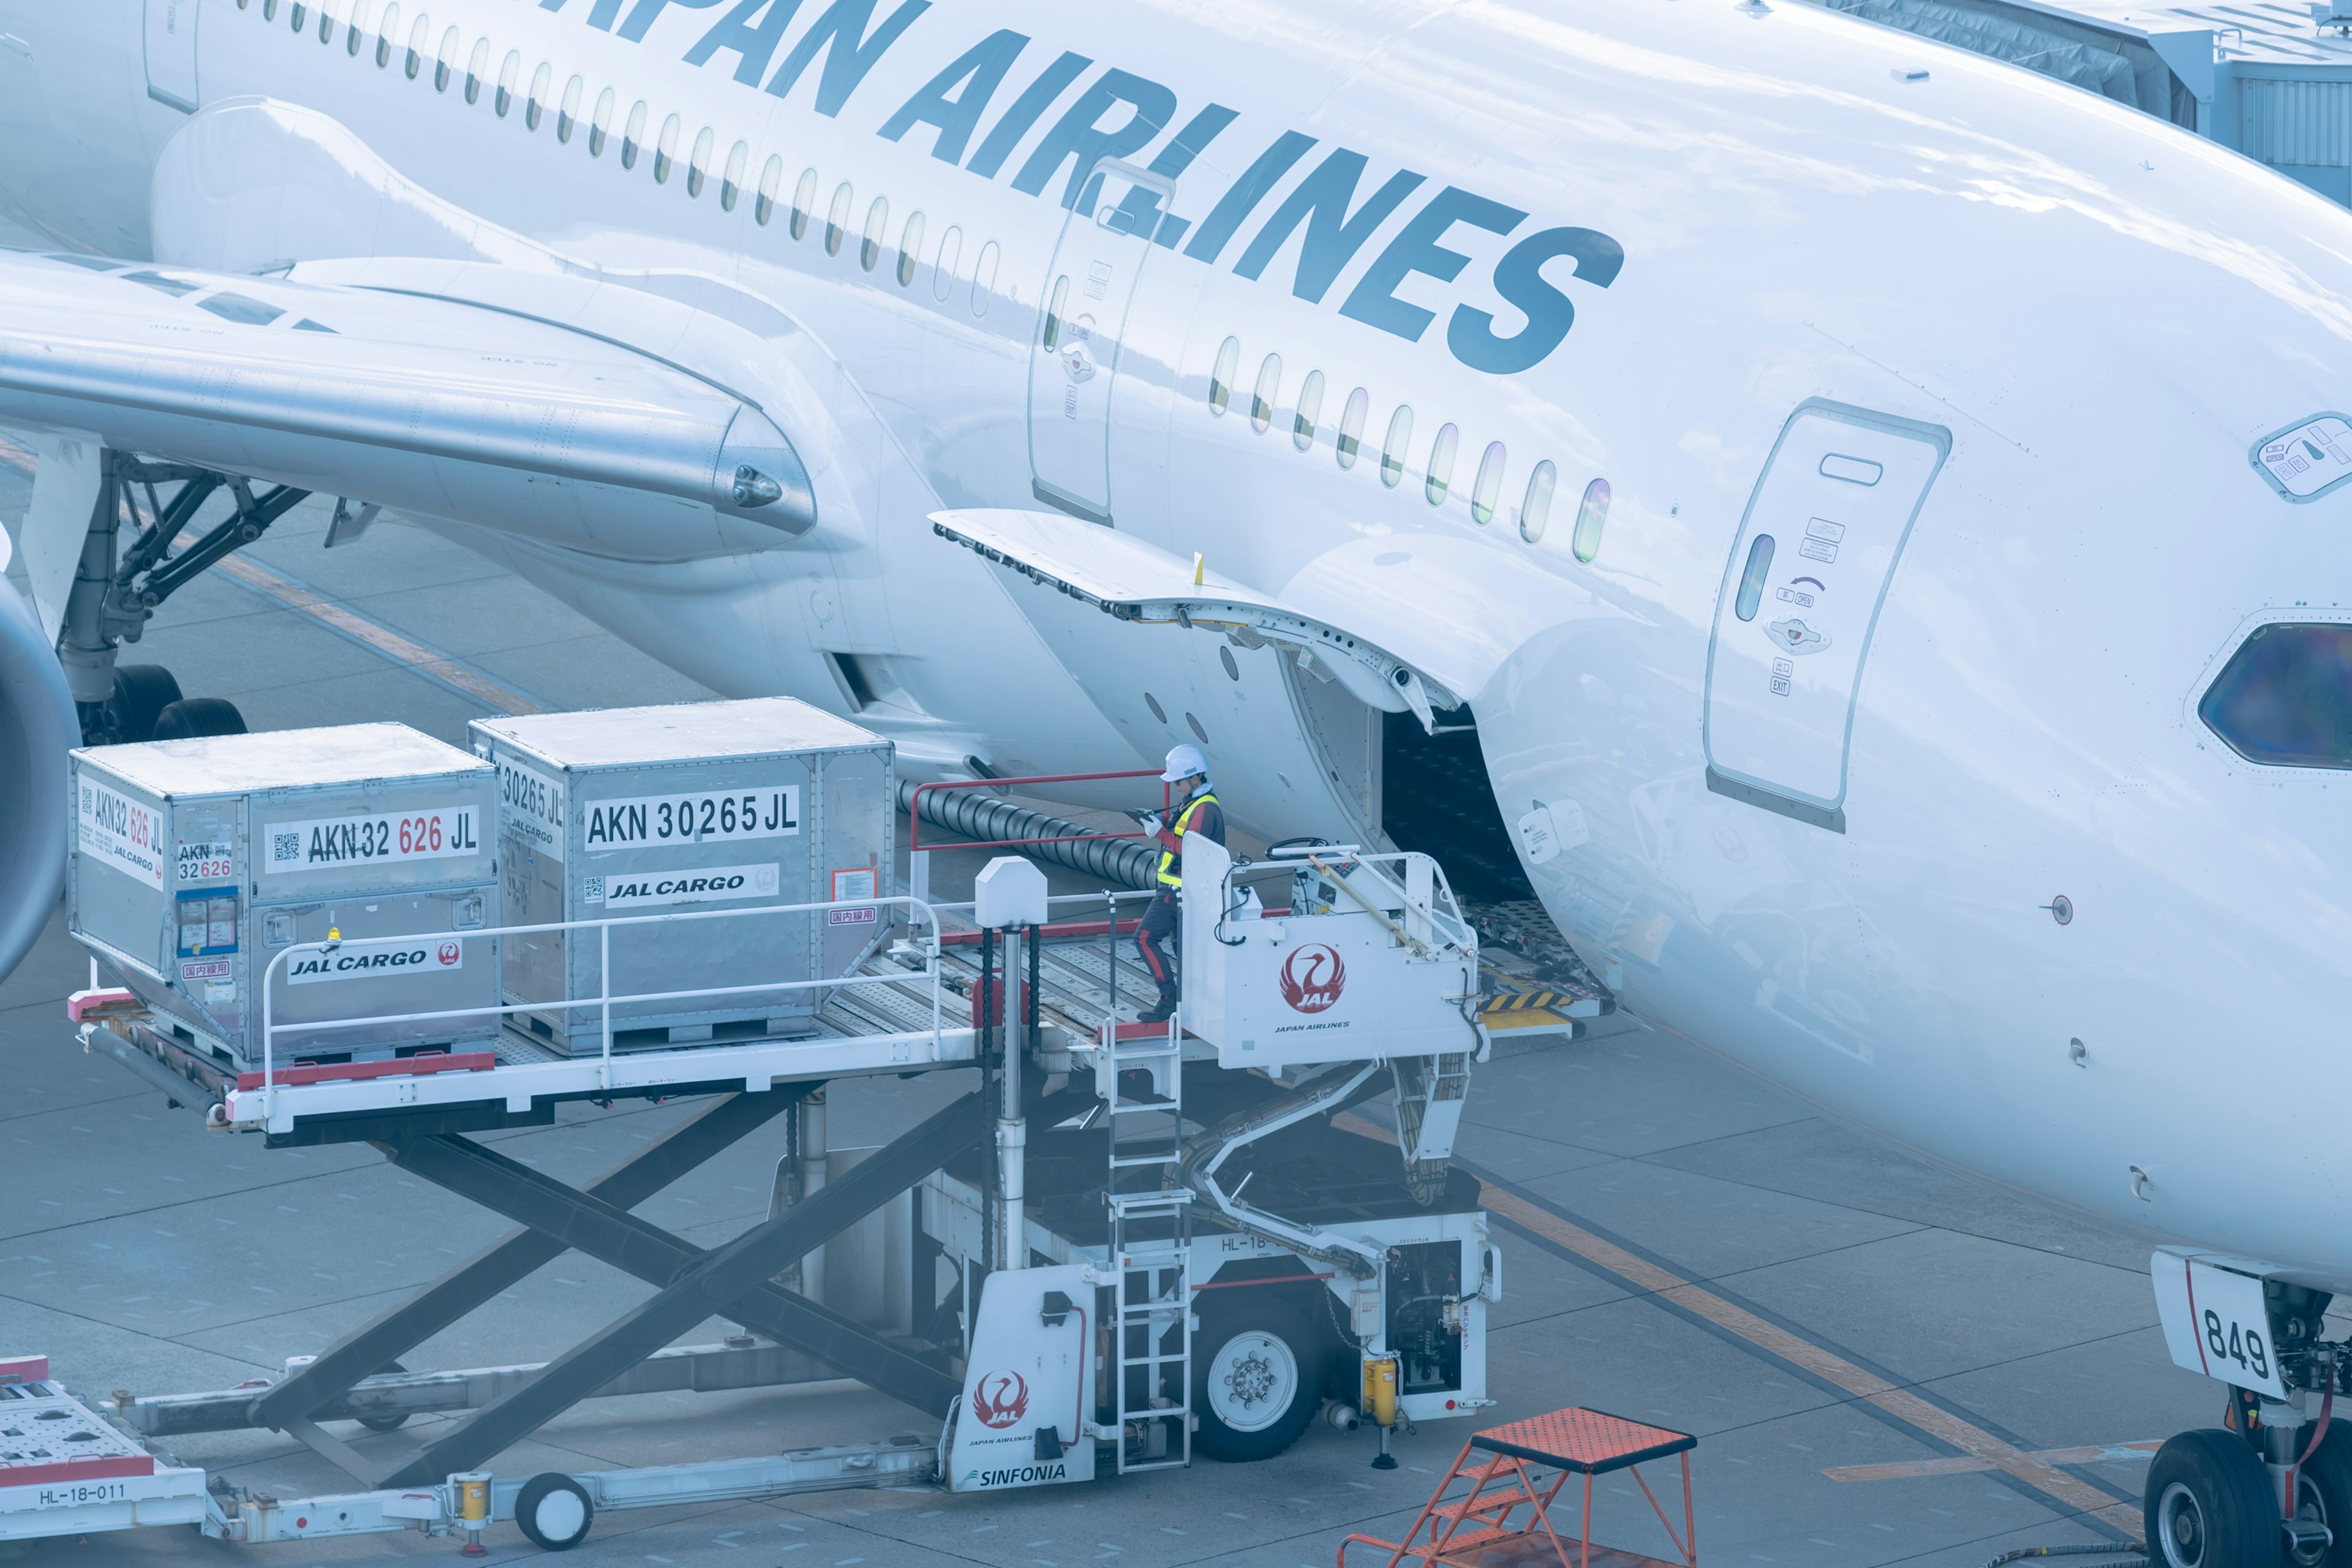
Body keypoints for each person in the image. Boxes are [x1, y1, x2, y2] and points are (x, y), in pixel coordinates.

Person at [1134, 744, 1223, 1024]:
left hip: (1179, 891)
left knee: (1145, 939)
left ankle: (1169, 1000)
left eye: (1178, 782)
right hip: (1180, 891)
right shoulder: (1196, 803)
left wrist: (1158, 832)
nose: (1175, 787)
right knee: (1183, 949)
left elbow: (1189, 849)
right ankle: (1189, 1000)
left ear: (1194, 778)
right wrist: (1159, 820)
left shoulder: (1204, 809)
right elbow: (1183, 830)